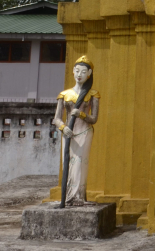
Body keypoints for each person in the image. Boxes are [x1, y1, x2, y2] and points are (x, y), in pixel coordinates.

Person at [52, 56, 100, 205]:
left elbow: (94, 118)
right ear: (73, 72)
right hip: (69, 133)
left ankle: (78, 197)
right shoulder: (64, 94)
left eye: (83, 72)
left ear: (89, 73)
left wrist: (82, 114)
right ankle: (68, 197)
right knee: (69, 163)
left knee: (80, 163)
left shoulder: (93, 94)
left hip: (84, 131)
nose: (79, 74)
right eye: (77, 71)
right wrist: (63, 128)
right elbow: (56, 118)